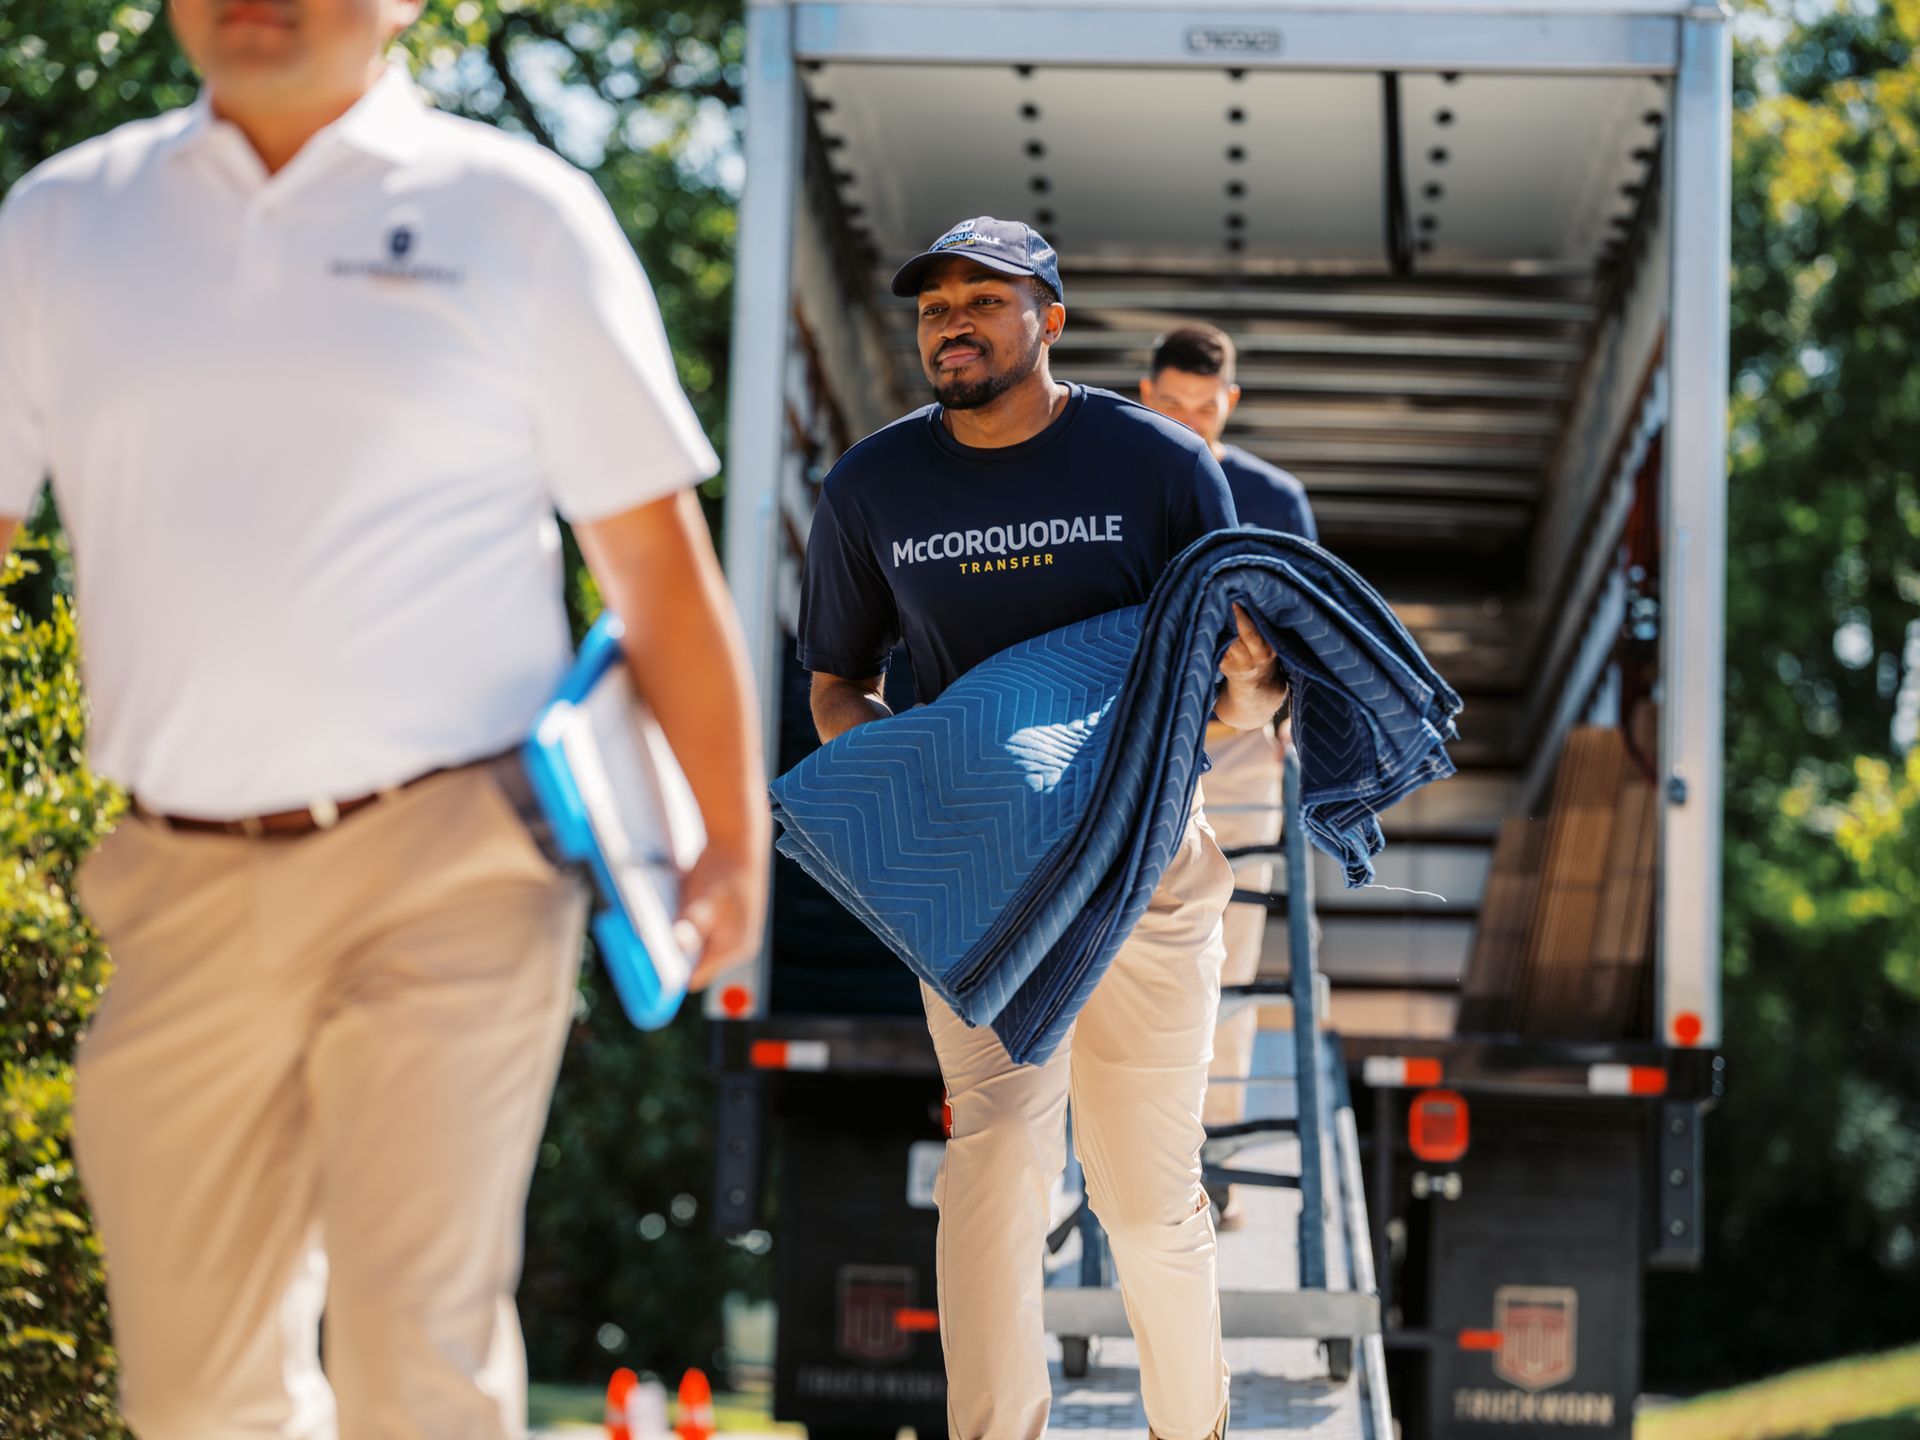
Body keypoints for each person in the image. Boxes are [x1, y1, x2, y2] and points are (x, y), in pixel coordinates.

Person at [0, 0, 767, 1434]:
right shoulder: (61, 224)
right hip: (172, 884)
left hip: (453, 868)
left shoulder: (518, 212)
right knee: (191, 1393)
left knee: (414, 1355)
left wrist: (730, 842)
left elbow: (656, 566)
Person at [799, 217, 1289, 1440]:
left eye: (985, 297)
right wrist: (900, 789)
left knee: (1145, 1200)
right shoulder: (872, 487)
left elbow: (1240, 693)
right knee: (998, 1163)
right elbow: (836, 683)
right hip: (981, 878)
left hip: (1144, 872)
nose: (953, 320)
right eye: (934, 306)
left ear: (1051, 320)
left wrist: (1253, 678)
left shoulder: (1159, 467)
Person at [1140, 324, 1320, 1226]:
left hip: (1244, 749)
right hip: (1134, 741)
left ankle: (1211, 1163)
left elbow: (1314, 633)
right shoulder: (1111, 480)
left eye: (1205, 412)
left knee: (1231, 955)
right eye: (1171, 408)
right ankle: (1127, 1154)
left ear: (1230, 405)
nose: (1189, 425)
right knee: (1123, 945)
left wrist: (1289, 724)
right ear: (1144, 393)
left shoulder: (1273, 498)